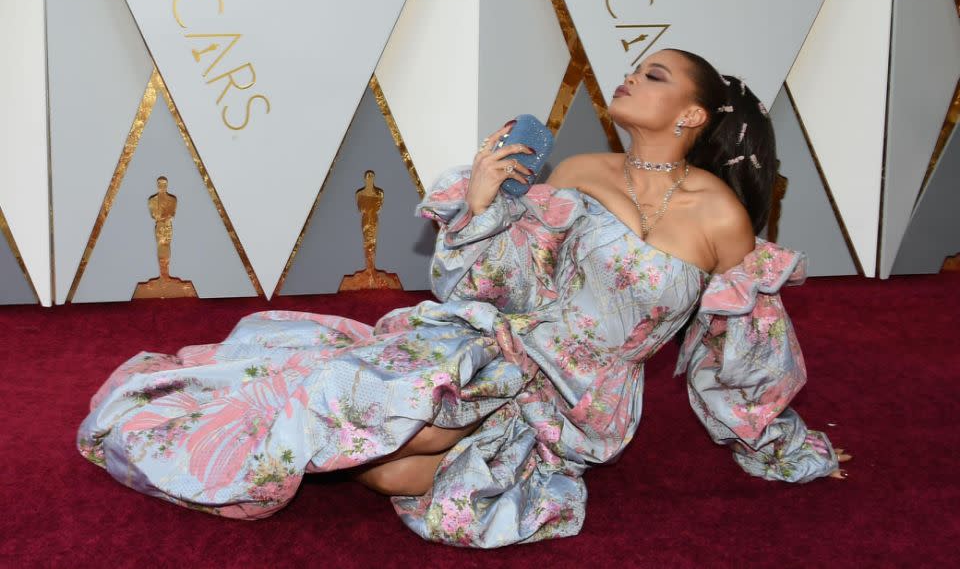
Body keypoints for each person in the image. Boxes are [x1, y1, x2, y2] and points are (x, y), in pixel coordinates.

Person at [78, 49, 848, 547]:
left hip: (584, 396)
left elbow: (740, 348)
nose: (628, 76)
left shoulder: (721, 215)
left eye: (654, 74)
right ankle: (251, 430)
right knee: (373, 426)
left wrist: (775, 441)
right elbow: (497, 285)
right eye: (634, 67)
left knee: (394, 472)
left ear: (690, 115)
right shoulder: (579, 171)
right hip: (503, 344)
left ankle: (336, 428)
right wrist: (485, 207)